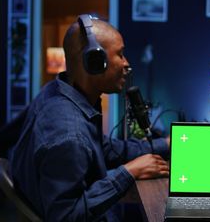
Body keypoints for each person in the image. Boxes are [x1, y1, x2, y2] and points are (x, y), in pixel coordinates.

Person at [10, 16, 170, 221]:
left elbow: (106, 149)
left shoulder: (60, 93)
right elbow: (66, 216)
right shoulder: (68, 135)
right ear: (95, 63)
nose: (126, 63)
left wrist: (165, 144)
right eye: (120, 54)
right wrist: (128, 172)